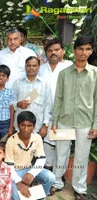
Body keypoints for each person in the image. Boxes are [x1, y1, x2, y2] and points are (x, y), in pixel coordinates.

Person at [51, 36, 97, 200]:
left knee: (82, 156)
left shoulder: (95, 73)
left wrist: (95, 125)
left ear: (91, 51)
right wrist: (54, 122)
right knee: (61, 153)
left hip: (85, 122)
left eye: (88, 49)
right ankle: (56, 182)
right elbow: (58, 98)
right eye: (81, 49)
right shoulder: (64, 73)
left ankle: (79, 188)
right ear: (75, 50)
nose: (84, 52)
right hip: (64, 121)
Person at [38, 38, 73, 170]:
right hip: (45, 114)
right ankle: (48, 169)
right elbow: (36, 89)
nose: (53, 53)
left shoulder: (70, 66)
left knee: (63, 144)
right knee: (47, 143)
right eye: (50, 50)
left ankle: (60, 175)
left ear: (63, 51)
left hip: (65, 114)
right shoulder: (41, 69)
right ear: (46, 53)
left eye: (57, 50)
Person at [5, 111, 55, 200]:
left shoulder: (37, 138)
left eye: (29, 126)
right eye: (23, 125)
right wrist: (18, 182)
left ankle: (40, 197)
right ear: (18, 125)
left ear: (34, 126)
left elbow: (41, 159)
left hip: (29, 169)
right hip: (14, 172)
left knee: (50, 177)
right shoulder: (11, 141)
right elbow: (9, 167)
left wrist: (32, 173)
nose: (26, 129)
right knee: (17, 196)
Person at [12, 56, 52, 136]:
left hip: (37, 127)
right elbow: (11, 102)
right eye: (29, 65)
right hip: (20, 127)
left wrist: (45, 125)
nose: (31, 68)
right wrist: (18, 104)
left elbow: (48, 106)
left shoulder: (44, 84)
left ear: (39, 67)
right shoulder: (18, 83)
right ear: (25, 66)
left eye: (34, 66)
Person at [0, 64, 14, 142]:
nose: (1, 77)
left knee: (4, 145)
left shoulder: (10, 92)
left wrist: (11, 127)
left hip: (5, 123)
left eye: (3, 75)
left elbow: (11, 109)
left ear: (7, 78)